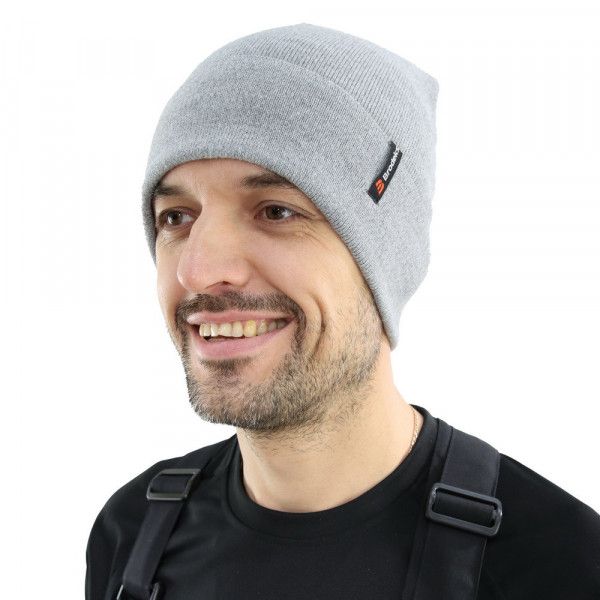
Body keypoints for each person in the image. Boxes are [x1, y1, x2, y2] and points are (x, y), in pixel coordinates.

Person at [85, 23, 600, 600]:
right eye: (177, 217)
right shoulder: (132, 532)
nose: (197, 271)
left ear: (383, 257)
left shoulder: (558, 564)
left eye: (276, 211)